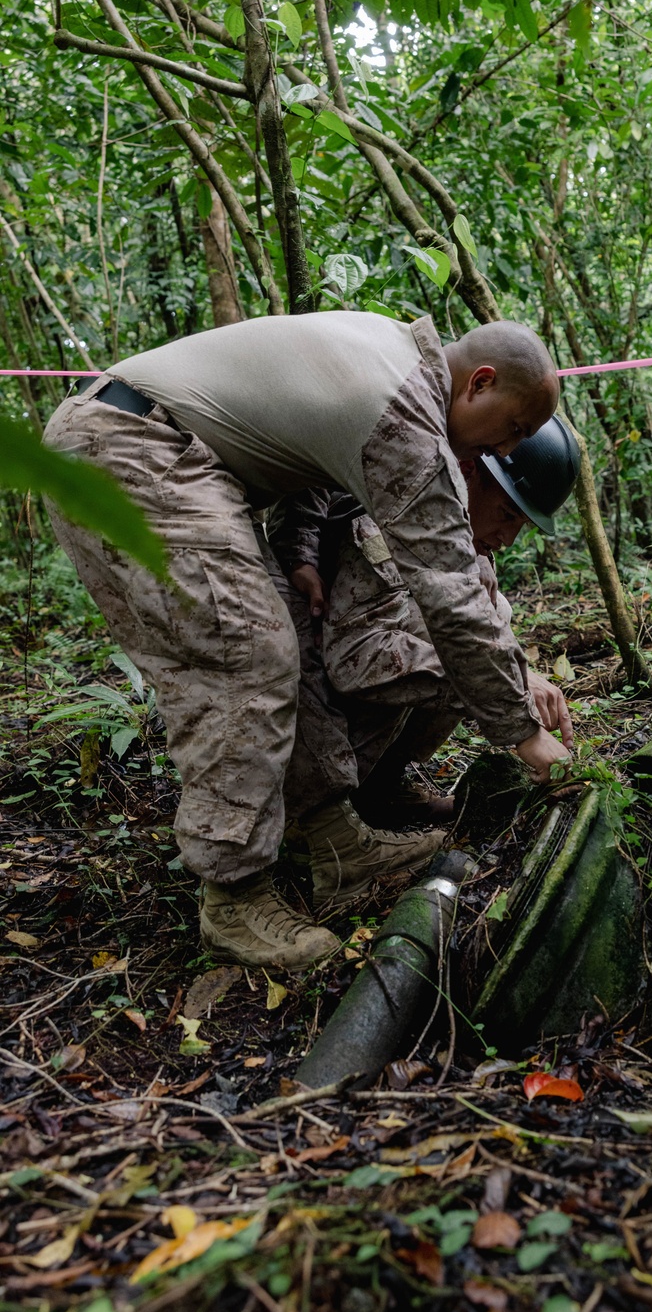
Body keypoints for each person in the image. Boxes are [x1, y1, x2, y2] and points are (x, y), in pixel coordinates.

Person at [43, 312, 570, 971]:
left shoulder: (394, 361)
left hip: (176, 457)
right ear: (479, 384)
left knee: (279, 633)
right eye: (514, 428)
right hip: (131, 448)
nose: (503, 449)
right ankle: (234, 896)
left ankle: (335, 842)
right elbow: (449, 587)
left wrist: (297, 552)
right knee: (249, 653)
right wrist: (522, 729)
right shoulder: (405, 408)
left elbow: (310, 446)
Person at [273, 418, 582, 907]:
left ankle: (377, 791)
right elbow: (356, 659)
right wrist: (504, 702)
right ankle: (315, 825)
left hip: (352, 722)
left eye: (520, 525)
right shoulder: (386, 522)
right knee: (459, 649)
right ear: (467, 471)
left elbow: (487, 640)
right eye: (505, 513)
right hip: (308, 737)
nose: (507, 537)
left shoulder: (467, 546)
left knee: (487, 619)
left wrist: (520, 675)